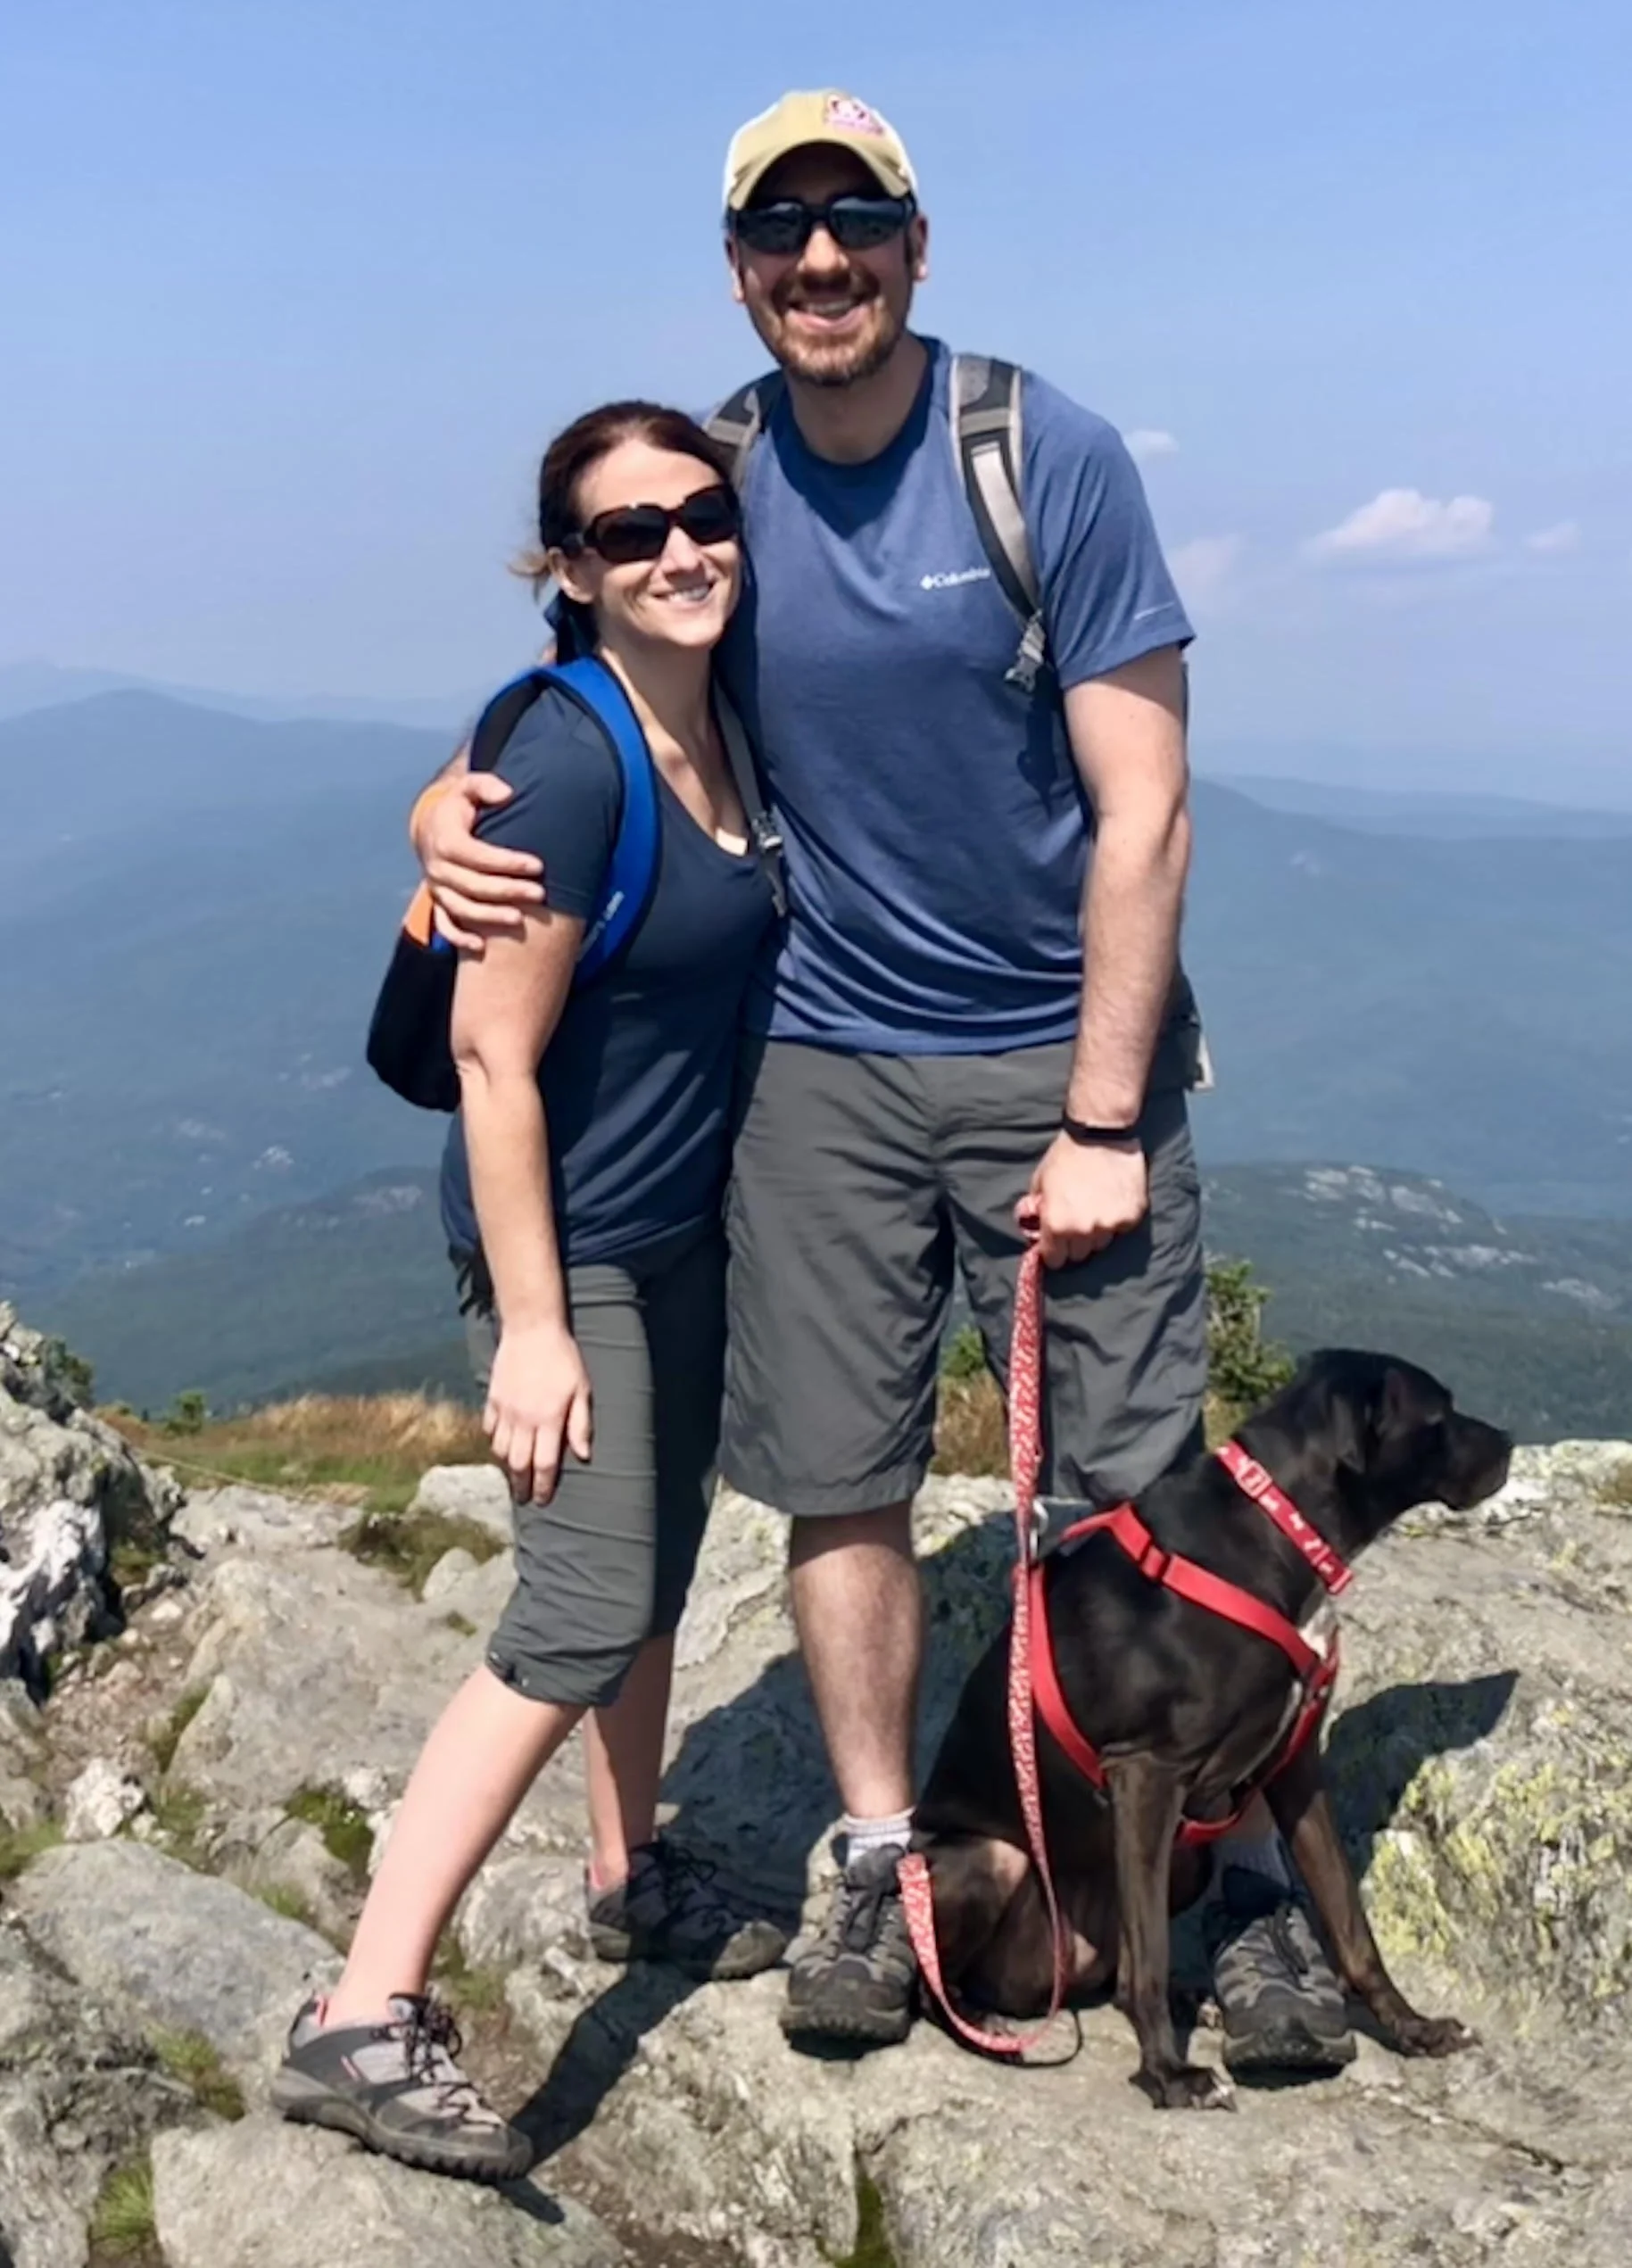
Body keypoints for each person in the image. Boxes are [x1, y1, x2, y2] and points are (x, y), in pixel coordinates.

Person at [413, 93, 1355, 2075]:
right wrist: (447, 802)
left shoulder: (1039, 456)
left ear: (915, 246)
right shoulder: (723, 485)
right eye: (781, 229)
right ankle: (876, 1854)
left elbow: (1146, 807)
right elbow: (599, 672)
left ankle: (1213, 1882)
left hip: (1058, 1054)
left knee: (1128, 1499)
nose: (819, 258)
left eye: (855, 221)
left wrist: (1101, 1118)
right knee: (838, 1472)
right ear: (739, 264)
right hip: (820, 1057)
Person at [271, 402, 787, 2180]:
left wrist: (429, 788)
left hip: (675, 1234)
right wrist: (541, 1324)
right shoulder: (575, 759)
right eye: (625, 533)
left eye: (699, 514)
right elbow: (495, 1067)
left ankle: (626, 1868)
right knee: (570, 1613)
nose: (675, 551)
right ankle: (359, 2008)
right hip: (569, 1253)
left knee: (649, 1567)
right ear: (568, 571)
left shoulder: (722, 698)